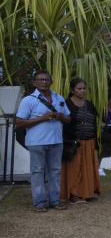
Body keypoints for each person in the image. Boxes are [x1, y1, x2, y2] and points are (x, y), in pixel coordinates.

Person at [15, 70, 72, 211]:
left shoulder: (59, 98)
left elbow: (68, 119)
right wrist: (42, 118)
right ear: (34, 83)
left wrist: (60, 117)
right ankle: (40, 203)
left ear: (51, 82)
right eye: (40, 80)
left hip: (56, 141)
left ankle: (55, 201)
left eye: (47, 80)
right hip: (36, 142)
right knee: (37, 172)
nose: (44, 82)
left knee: (55, 171)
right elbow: (19, 122)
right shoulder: (28, 100)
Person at [60, 78, 102, 204]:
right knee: (75, 168)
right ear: (73, 90)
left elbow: (94, 121)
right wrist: (73, 137)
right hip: (75, 142)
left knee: (89, 168)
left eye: (84, 88)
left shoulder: (89, 104)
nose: (82, 91)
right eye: (79, 88)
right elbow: (65, 123)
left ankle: (88, 193)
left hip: (89, 141)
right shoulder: (67, 104)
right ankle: (74, 195)